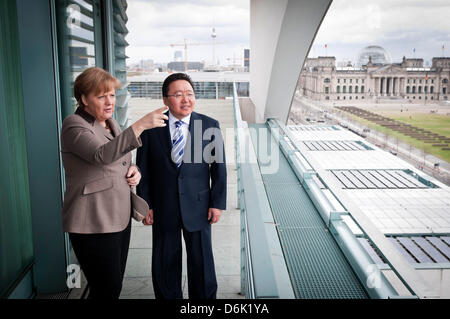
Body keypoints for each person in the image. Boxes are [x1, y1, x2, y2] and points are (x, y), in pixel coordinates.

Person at [60, 67, 168, 299]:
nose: (109, 102)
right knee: (106, 289)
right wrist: (140, 125)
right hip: (92, 220)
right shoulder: (74, 124)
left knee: (112, 286)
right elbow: (101, 155)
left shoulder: (110, 123)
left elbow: (118, 160)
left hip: (117, 216)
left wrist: (134, 171)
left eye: (111, 95)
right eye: (101, 96)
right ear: (83, 99)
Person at [136, 73, 227, 299]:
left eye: (189, 94)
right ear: (165, 100)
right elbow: (143, 170)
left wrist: (217, 203)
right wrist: (145, 205)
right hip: (163, 206)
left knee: (202, 264)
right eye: (178, 95)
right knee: (165, 264)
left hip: (199, 205)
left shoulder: (209, 125)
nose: (185, 99)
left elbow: (219, 169)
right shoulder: (151, 128)